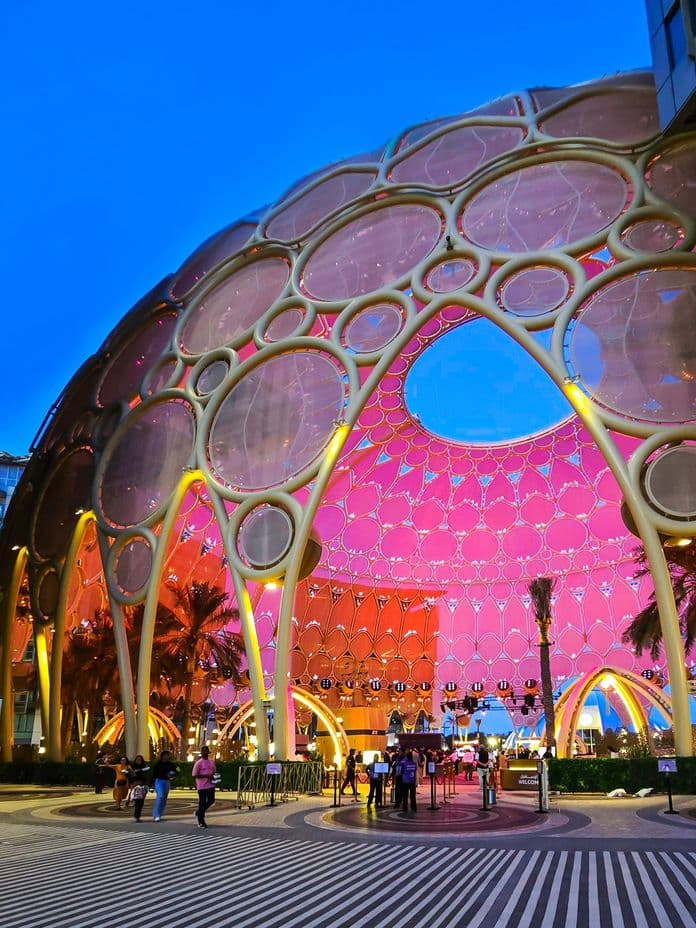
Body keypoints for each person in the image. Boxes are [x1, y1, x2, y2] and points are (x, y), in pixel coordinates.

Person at [191, 745, 217, 828]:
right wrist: (206, 776)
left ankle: (199, 812)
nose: (205, 753)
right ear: (201, 753)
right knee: (202, 803)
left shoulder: (211, 761)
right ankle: (201, 821)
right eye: (204, 751)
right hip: (202, 786)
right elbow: (194, 775)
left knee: (211, 800)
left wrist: (214, 777)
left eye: (206, 751)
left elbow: (214, 771)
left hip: (211, 785)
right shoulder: (198, 763)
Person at [151, 749, 178, 821]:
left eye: (167, 755)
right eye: (165, 755)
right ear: (162, 756)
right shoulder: (157, 764)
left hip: (167, 782)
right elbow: (154, 775)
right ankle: (156, 814)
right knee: (160, 796)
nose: (166, 757)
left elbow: (177, 771)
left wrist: (173, 775)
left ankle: (159, 814)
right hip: (159, 781)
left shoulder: (171, 764)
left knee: (164, 798)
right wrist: (152, 785)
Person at [128, 754, 150, 822]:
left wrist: (140, 770)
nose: (138, 761)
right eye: (137, 759)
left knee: (141, 801)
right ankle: (136, 816)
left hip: (143, 785)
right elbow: (129, 775)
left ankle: (137, 816)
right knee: (138, 801)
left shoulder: (144, 767)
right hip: (136, 785)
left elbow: (147, 770)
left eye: (140, 759)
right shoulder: (132, 767)